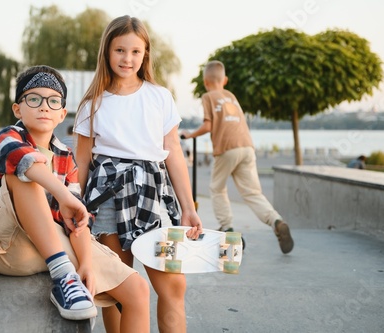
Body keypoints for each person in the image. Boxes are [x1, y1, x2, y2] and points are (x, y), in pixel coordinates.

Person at [0, 65, 150, 331]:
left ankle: (69, 272)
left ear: (62, 113)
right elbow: (22, 160)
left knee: (138, 289)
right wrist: (63, 195)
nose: (44, 107)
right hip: (6, 245)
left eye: (53, 101)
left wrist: (85, 262)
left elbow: (75, 220)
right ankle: (63, 275)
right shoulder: (7, 137)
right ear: (18, 109)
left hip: (48, 245)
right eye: (34, 99)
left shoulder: (65, 156)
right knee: (23, 172)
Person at [74, 16, 203, 333]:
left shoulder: (159, 97)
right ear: (107, 52)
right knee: (119, 288)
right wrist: (73, 208)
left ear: (145, 54)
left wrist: (188, 206)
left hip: (152, 196)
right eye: (119, 50)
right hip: (107, 198)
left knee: (173, 285)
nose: (127, 58)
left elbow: (173, 149)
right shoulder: (92, 103)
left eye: (135, 51)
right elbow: (81, 162)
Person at [180, 60, 294, 254]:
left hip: (227, 148)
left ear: (206, 81)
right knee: (252, 193)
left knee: (217, 188)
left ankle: (227, 228)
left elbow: (208, 126)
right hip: (247, 147)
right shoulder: (231, 95)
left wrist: (189, 134)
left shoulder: (208, 97)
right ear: (225, 80)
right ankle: (276, 221)